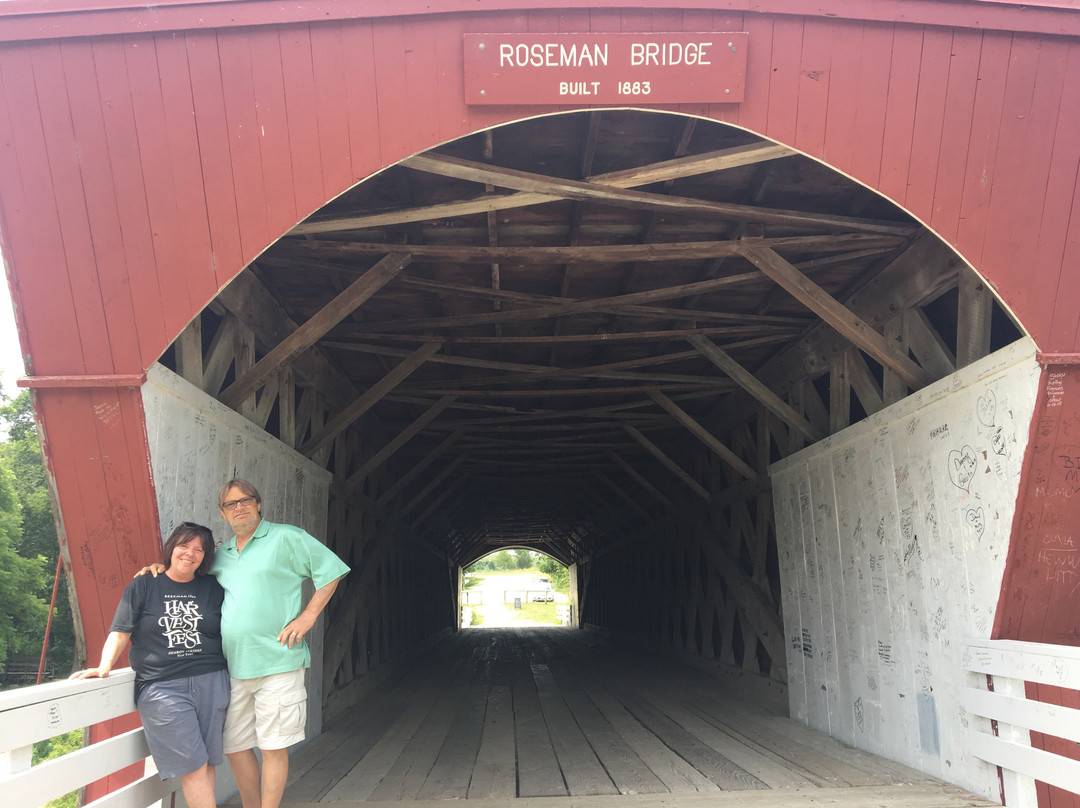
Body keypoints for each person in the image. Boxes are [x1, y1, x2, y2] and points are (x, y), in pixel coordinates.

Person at [210, 479, 349, 808]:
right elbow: (186, 575)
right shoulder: (221, 555)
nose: (240, 507)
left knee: (273, 746)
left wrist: (308, 616)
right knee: (234, 746)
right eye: (232, 504)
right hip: (233, 665)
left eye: (246, 500)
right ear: (223, 513)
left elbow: (331, 571)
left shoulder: (286, 537)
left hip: (279, 661)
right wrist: (158, 570)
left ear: (258, 504)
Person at [72, 522, 229, 808]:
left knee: (206, 763)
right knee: (192, 767)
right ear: (171, 548)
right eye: (184, 546)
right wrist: (104, 666)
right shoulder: (144, 584)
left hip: (212, 680)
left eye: (199, 550)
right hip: (162, 687)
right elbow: (121, 632)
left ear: (205, 557)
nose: (190, 554)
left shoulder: (213, 587)